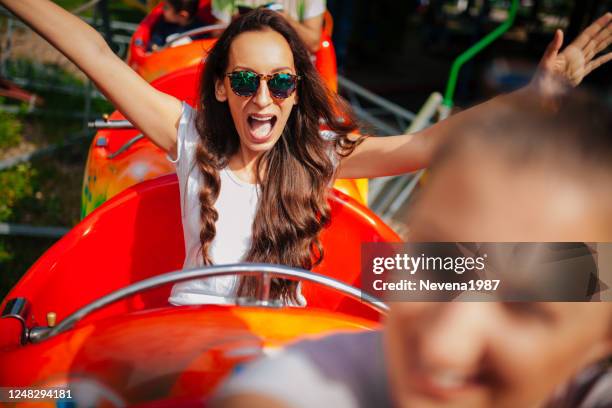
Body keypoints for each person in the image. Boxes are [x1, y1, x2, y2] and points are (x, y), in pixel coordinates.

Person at [2, 0, 610, 306]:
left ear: (297, 91)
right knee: (42, 395)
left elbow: (424, 143)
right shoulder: (192, 138)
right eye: (245, 82)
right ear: (221, 87)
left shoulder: (320, 156)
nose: (262, 98)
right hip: (184, 338)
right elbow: (100, 57)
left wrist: (540, 95)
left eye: (281, 82)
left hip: (281, 343)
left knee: (574, 274)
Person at [212, 89, 612, 408]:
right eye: (438, 265)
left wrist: (531, 97)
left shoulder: (310, 157)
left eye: (525, 302)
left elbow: (420, 143)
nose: (444, 348)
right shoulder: (200, 147)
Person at [211, 0, 326, 52]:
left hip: (290, 61)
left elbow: (313, 44)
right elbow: (215, 37)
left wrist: (286, 21)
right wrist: (237, 23)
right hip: (242, 56)